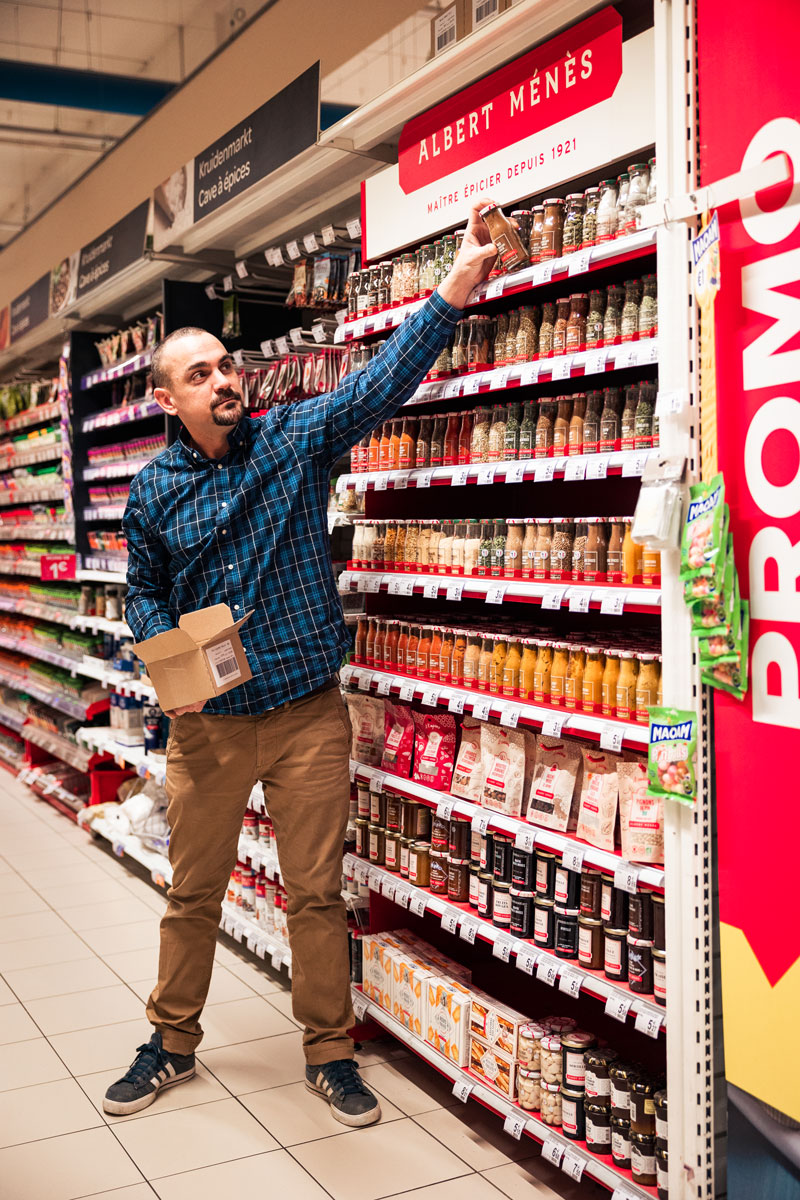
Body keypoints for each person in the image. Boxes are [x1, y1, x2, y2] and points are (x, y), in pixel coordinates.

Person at [103, 199, 498, 1126]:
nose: (224, 380)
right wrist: (175, 669)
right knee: (193, 891)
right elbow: (143, 595)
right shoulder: (154, 492)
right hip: (209, 730)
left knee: (317, 893)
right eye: (200, 374)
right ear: (169, 400)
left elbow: (379, 381)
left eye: (227, 365)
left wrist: (454, 287)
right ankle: (169, 1042)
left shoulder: (290, 441)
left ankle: (330, 1051)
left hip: (308, 717)